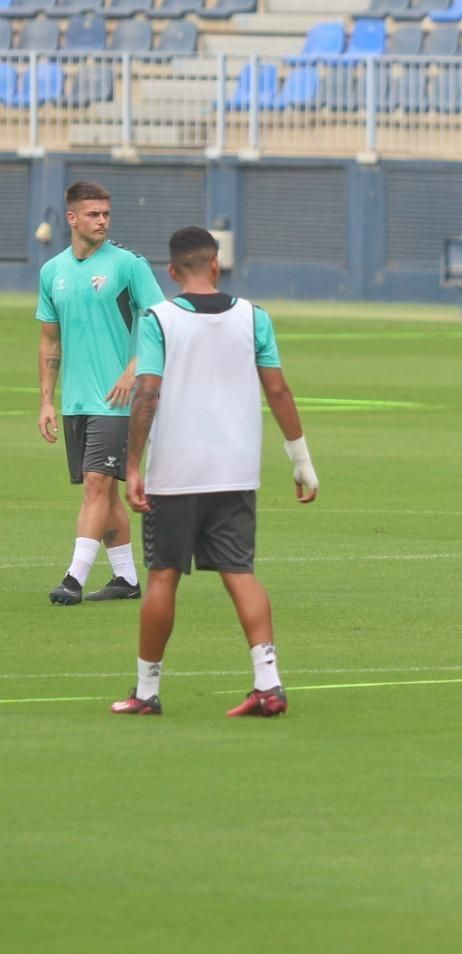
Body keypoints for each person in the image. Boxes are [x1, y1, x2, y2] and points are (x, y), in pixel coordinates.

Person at [110, 227, 319, 718]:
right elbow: (280, 391)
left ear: (171, 272)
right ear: (216, 265)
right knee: (240, 573)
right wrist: (302, 461)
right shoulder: (254, 317)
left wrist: (134, 464)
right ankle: (268, 684)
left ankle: (146, 691)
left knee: (162, 576)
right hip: (236, 468)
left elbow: (147, 393)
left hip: (177, 470)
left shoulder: (158, 319)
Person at [35, 180, 167, 606]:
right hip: (76, 400)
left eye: (106, 214)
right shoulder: (52, 272)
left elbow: (159, 322)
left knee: (95, 482)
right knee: (104, 491)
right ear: (72, 218)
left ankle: (73, 578)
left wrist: (134, 370)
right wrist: (46, 400)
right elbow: (49, 341)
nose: (103, 221)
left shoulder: (128, 265)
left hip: (119, 400)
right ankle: (126, 580)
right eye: (93, 214)